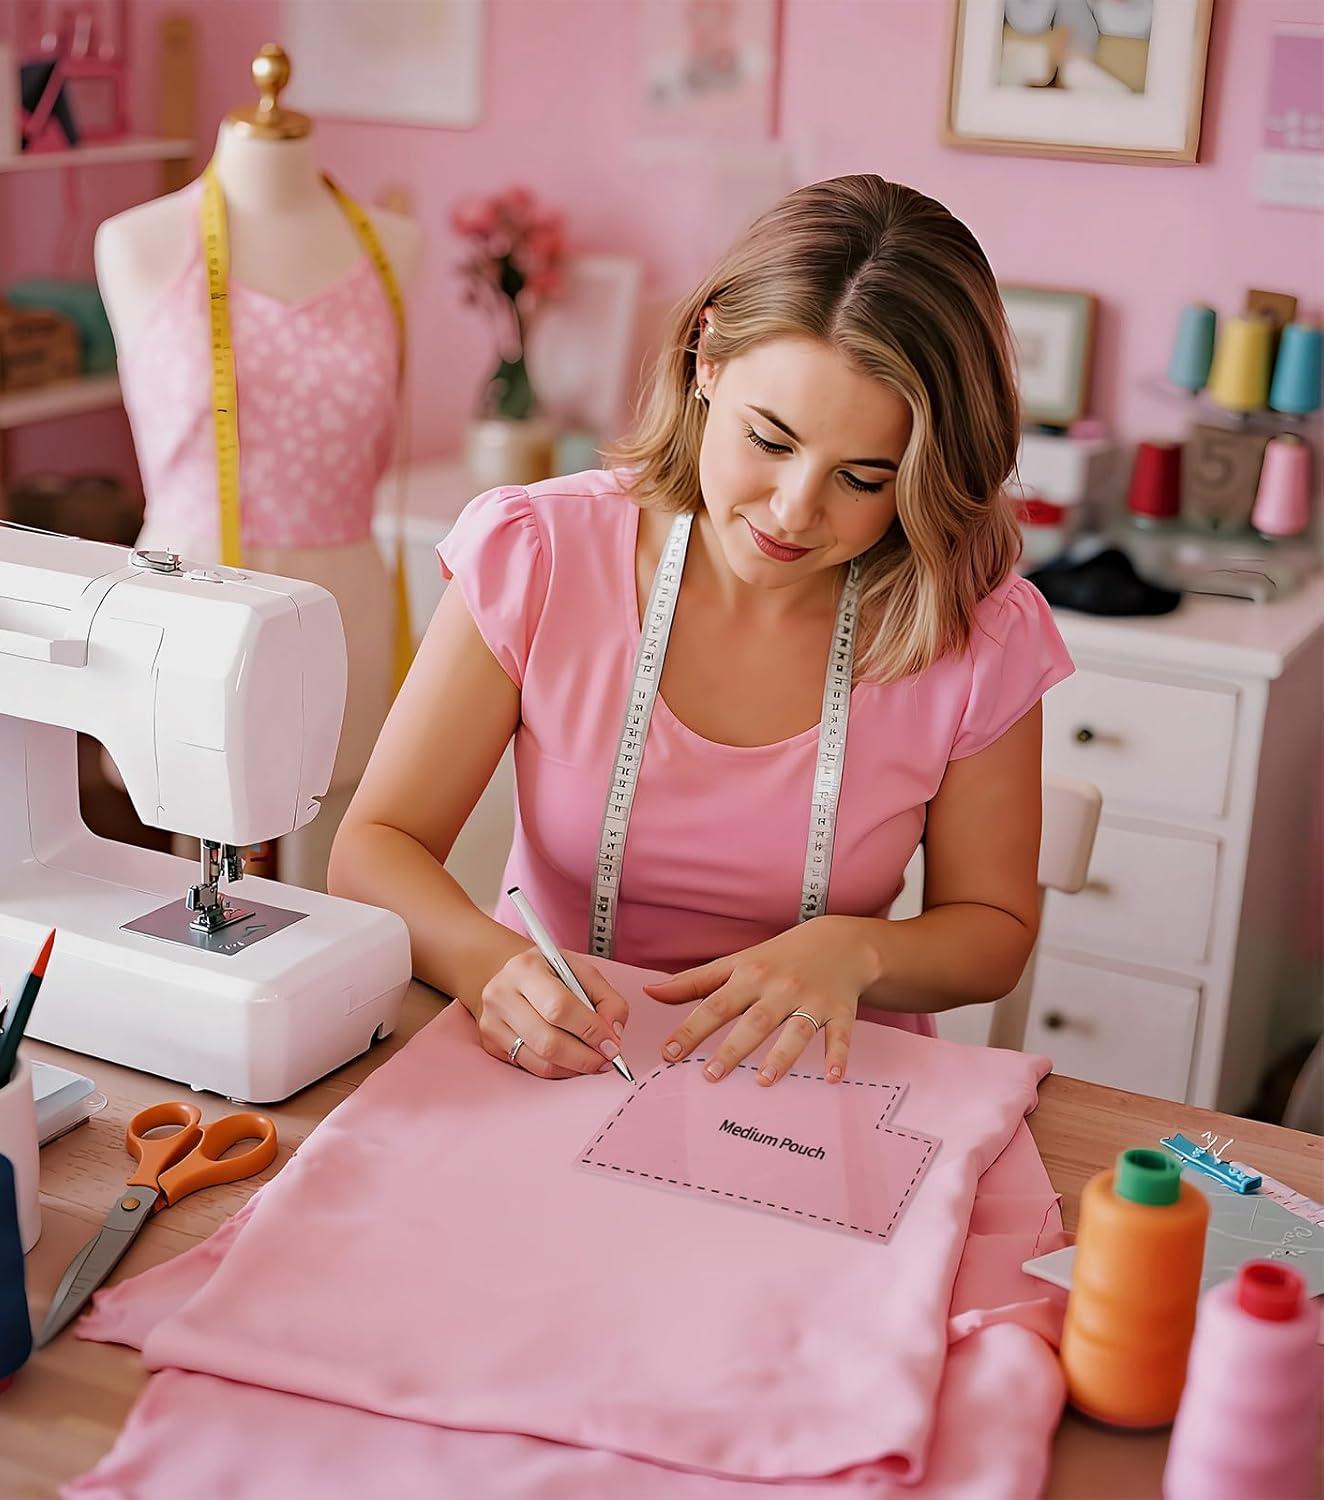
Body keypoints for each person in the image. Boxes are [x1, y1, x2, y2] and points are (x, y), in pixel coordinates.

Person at [329, 174, 1073, 1090]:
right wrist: (489, 967)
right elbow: (374, 847)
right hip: (550, 1058)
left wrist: (858, 952)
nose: (795, 512)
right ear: (706, 356)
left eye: (865, 478)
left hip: (821, 1087)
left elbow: (993, 930)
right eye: (770, 440)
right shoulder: (543, 555)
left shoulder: (973, 636)